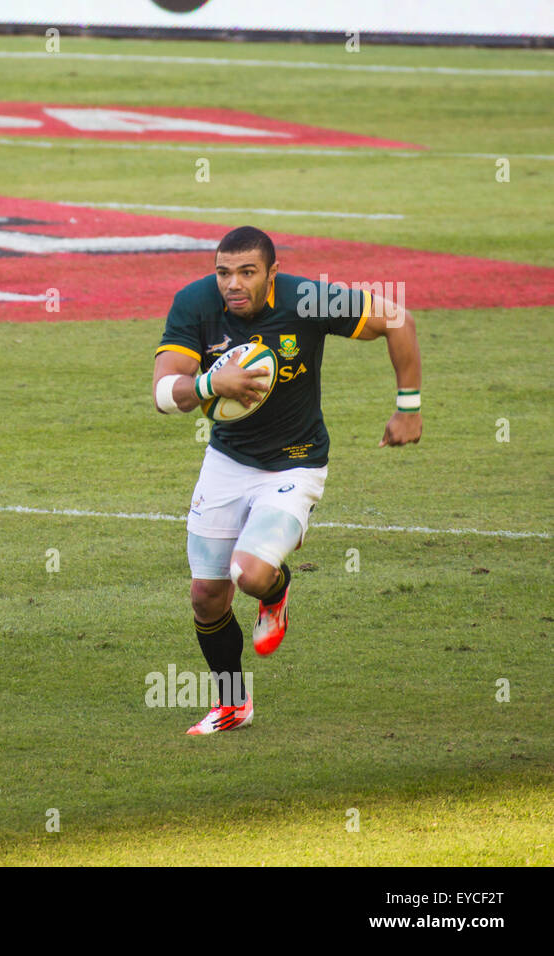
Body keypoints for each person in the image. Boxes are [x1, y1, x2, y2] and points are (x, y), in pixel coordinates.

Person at [152, 226, 421, 734]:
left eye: (247, 272)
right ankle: (233, 703)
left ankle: (276, 592)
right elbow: (164, 392)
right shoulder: (195, 304)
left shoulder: (309, 298)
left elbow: (398, 320)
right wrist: (213, 382)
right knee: (206, 595)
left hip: (295, 464)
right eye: (224, 272)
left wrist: (408, 408)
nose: (234, 283)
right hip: (228, 461)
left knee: (249, 574)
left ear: (272, 273)